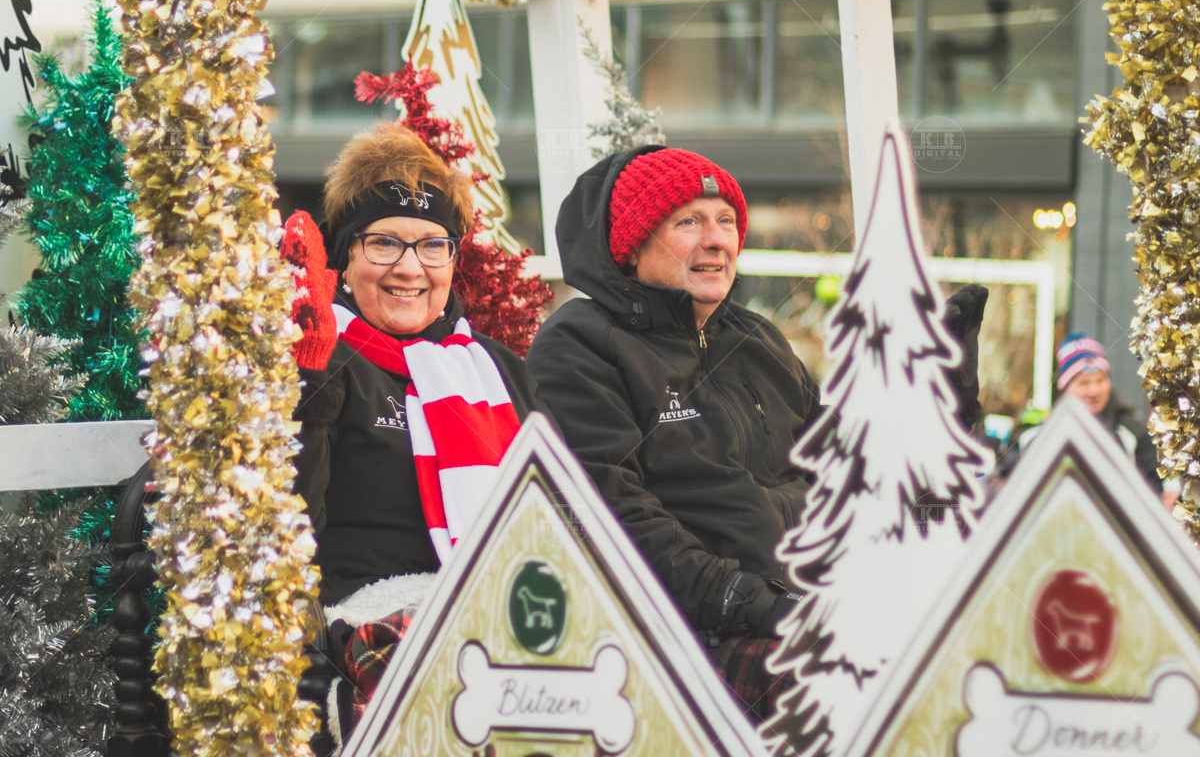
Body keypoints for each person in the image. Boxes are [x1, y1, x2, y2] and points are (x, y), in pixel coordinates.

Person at [524, 146, 988, 718]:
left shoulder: (756, 338)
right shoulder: (578, 346)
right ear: (633, 243)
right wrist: (748, 601)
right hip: (681, 634)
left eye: (725, 221)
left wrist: (937, 406)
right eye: (688, 222)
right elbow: (607, 516)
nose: (716, 240)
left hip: (808, 599)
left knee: (979, 660)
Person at [282, 123, 544, 740]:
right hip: (365, 616)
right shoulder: (321, 356)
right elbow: (287, 527)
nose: (410, 268)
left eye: (432, 246)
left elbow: (553, 508)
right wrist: (307, 382)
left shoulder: (495, 369)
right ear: (346, 256)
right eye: (383, 244)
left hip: (495, 607)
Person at [1000, 333, 1168, 504]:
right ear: (1065, 387)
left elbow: (1155, 494)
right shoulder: (1033, 438)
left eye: (1100, 380)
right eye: (1084, 383)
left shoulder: (1133, 434)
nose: (1094, 391)